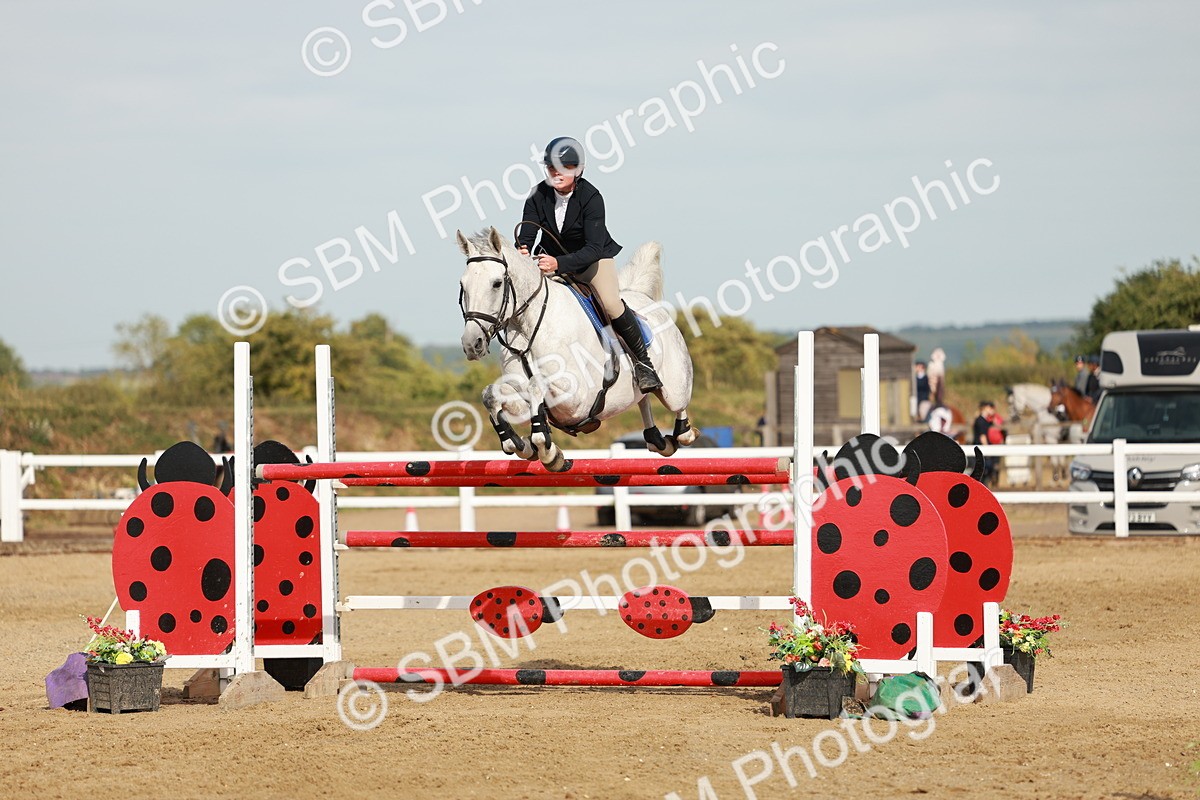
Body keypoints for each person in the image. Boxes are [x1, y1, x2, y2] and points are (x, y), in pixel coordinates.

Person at [516, 136, 662, 392]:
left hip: (593, 260)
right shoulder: (538, 195)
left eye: (564, 169)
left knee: (610, 303)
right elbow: (527, 233)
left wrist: (558, 264)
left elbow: (593, 248)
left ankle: (644, 364)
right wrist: (523, 248)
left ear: (578, 170)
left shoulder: (591, 197)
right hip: (551, 261)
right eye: (551, 168)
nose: (557, 173)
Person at [973, 400, 999, 485]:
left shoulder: (985, 421)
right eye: (990, 407)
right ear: (985, 408)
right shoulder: (981, 421)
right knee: (985, 471)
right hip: (982, 448)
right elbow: (982, 436)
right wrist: (987, 449)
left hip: (983, 448)